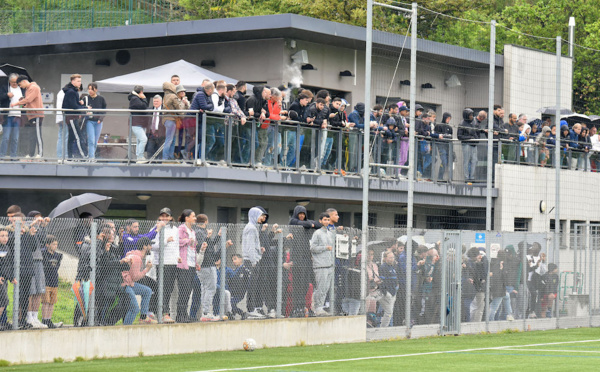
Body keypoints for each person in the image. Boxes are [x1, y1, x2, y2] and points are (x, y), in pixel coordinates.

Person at [288, 205, 321, 317]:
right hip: (296, 257)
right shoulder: (293, 221)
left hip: (306, 257)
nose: (302, 216)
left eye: (303, 214)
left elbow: (318, 224)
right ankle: (296, 307)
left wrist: (310, 224)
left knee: (306, 284)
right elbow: (306, 224)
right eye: (300, 214)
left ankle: (302, 306)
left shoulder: (305, 222)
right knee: (297, 283)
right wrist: (309, 224)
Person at [147, 208, 178, 323]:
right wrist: (165, 241)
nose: (164, 218)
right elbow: (152, 246)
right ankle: (164, 312)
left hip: (172, 262)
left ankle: (163, 312)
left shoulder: (175, 229)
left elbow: (177, 246)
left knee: (169, 289)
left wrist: (177, 257)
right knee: (161, 288)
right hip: (160, 263)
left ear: (170, 217)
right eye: (162, 216)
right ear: (159, 217)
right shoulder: (155, 229)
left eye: (167, 216)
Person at [121, 237, 156, 325]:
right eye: (149, 245)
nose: (151, 247)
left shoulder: (135, 255)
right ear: (144, 247)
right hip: (125, 285)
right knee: (135, 309)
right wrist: (147, 269)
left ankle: (143, 317)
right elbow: (135, 277)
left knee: (147, 291)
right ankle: (126, 328)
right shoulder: (137, 258)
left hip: (130, 283)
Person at [175, 209, 202, 323]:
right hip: (183, 265)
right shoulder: (181, 229)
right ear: (187, 218)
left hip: (191, 264)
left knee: (188, 290)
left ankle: (184, 314)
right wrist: (188, 240)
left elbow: (193, 248)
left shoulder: (193, 231)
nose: (195, 218)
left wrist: (196, 262)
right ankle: (180, 315)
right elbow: (178, 241)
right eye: (193, 216)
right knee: (184, 290)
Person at [242, 206, 268, 318]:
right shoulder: (251, 228)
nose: (261, 218)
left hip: (252, 260)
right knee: (252, 286)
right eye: (260, 216)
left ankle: (251, 309)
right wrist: (253, 261)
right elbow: (250, 246)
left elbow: (253, 246)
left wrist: (259, 251)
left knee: (253, 286)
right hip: (251, 262)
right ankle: (251, 309)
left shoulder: (252, 227)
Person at [13, 75, 44, 159]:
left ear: (24, 81)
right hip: (31, 115)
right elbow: (30, 102)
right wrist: (25, 106)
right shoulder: (28, 89)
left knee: (37, 134)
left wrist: (16, 103)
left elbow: (28, 99)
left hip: (36, 114)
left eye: (20, 84)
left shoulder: (33, 87)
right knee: (32, 135)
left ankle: (40, 154)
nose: (20, 86)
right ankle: (31, 154)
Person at [310, 212, 335, 316]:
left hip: (329, 265)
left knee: (326, 288)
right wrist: (325, 248)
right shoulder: (317, 233)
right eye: (325, 220)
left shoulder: (330, 233)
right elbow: (312, 248)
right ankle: (317, 307)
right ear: (320, 221)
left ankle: (319, 306)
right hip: (320, 265)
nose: (326, 222)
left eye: (328, 220)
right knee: (320, 287)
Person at [41, 235, 63, 328]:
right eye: (53, 244)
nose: (55, 246)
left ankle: (49, 319)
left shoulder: (58, 255)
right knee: (46, 301)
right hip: (46, 281)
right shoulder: (43, 253)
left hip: (54, 281)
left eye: (56, 244)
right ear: (47, 245)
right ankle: (44, 319)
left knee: (52, 302)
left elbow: (56, 266)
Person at [0, 74, 23, 159]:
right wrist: (7, 95)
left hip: (18, 116)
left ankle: (13, 156)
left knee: (15, 138)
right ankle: (2, 156)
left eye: (16, 82)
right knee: (6, 137)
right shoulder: (5, 88)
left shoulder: (21, 88)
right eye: (13, 82)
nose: (15, 84)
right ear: (9, 81)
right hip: (7, 116)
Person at [0, 228, 17, 331]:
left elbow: (8, 265)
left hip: (4, 280)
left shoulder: (6, 248)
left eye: (6, 236)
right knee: (3, 300)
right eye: (2, 236)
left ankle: (2, 322)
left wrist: (11, 278)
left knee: (4, 301)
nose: (5, 238)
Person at [128, 85, 149, 163]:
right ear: (141, 92)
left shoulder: (134, 98)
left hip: (140, 122)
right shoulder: (135, 99)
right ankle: (140, 157)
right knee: (144, 139)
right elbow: (144, 106)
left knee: (139, 140)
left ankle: (139, 157)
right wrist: (144, 98)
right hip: (136, 122)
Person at [378, 250, 399, 327]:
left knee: (389, 312)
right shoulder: (383, 267)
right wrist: (386, 293)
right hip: (386, 294)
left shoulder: (392, 267)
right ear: (385, 258)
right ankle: (383, 328)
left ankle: (384, 326)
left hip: (393, 293)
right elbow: (382, 281)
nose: (392, 259)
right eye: (390, 257)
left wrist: (396, 287)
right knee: (388, 312)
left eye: (393, 257)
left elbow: (395, 279)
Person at [457, 108, 479, 181]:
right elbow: (459, 136)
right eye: (470, 115)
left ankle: (472, 177)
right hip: (466, 144)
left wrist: (476, 139)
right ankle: (467, 177)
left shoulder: (474, 122)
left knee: (474, 161)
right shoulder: (462, 124)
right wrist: (470, 137)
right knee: (466, 161)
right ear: (466, 115)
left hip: (474, 144)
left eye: (472, 115)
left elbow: (476, 131)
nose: (471, 116)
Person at [146, 95, 165, 160]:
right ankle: (150, 163)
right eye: (154, 101)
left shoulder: (164, 110)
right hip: (151, 132)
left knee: (160, 151)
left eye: (157, 101)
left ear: (161, 102)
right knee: (150, 149)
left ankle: (160, 164)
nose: (155, 103)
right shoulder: (149, 110)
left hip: (161, 133)